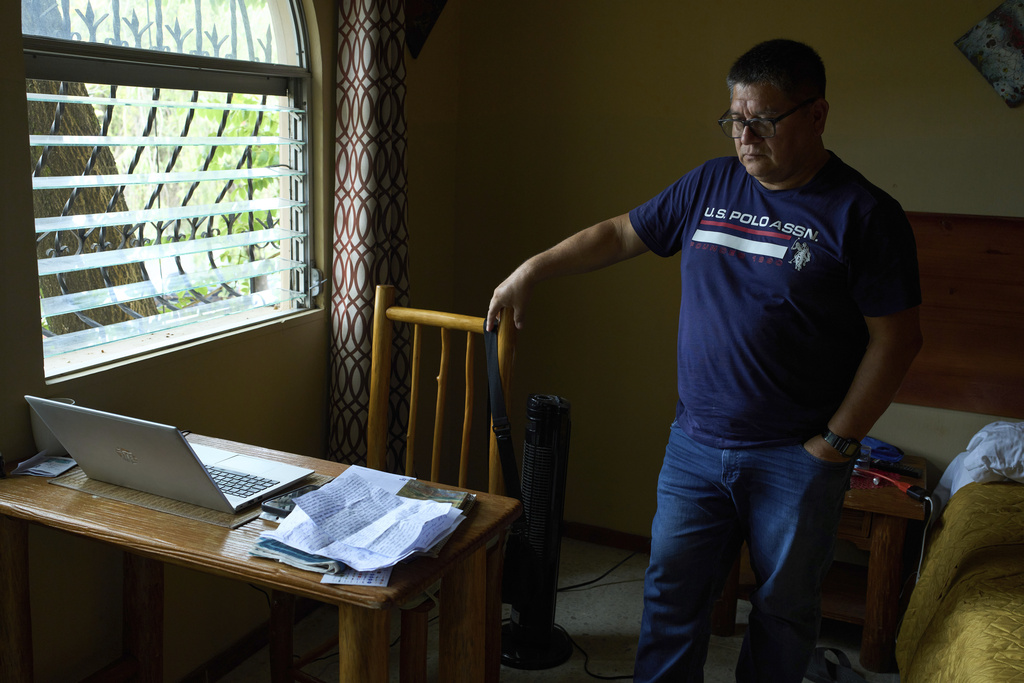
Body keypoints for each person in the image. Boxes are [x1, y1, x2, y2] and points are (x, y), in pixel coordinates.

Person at [486, 39, 923, 682]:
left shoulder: (864, 214)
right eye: (734, 119)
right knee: (670, 599)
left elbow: (898, 340)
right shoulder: (709, 184)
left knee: (782, 611)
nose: (744, 137)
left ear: (817, 114)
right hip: (694, 445)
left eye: (763, 120)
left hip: (796, 456)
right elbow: (618, 234)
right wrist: (533, 269)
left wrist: (835, 443)